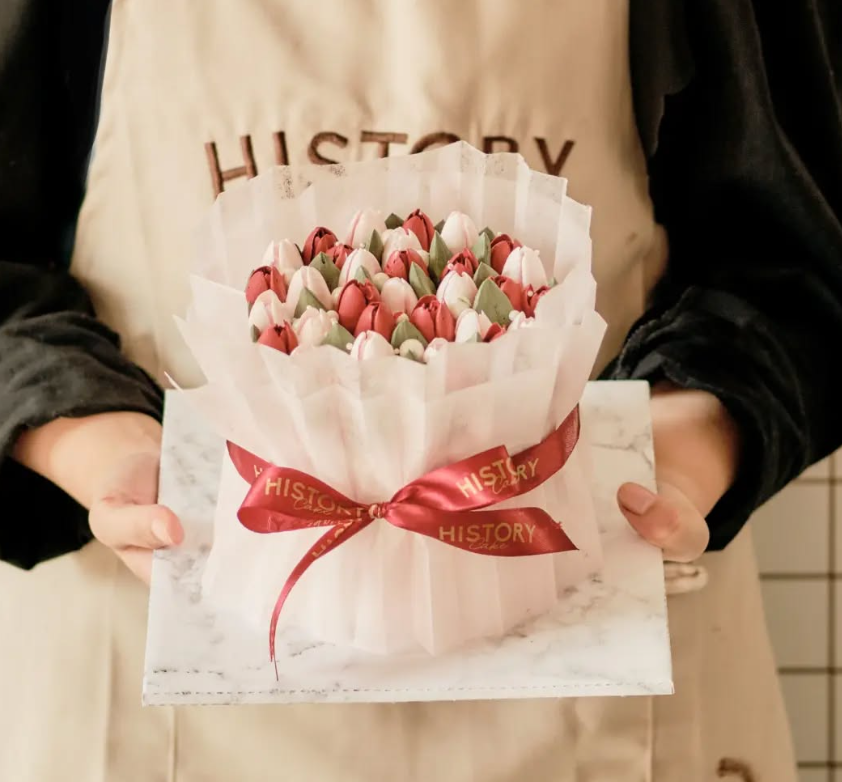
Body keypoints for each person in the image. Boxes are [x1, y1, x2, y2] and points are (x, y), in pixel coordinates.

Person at [1, 0, 840, 779]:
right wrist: (82, 435)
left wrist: (683, 443)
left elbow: (796, 255)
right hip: (155, 681)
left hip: (604, 686)